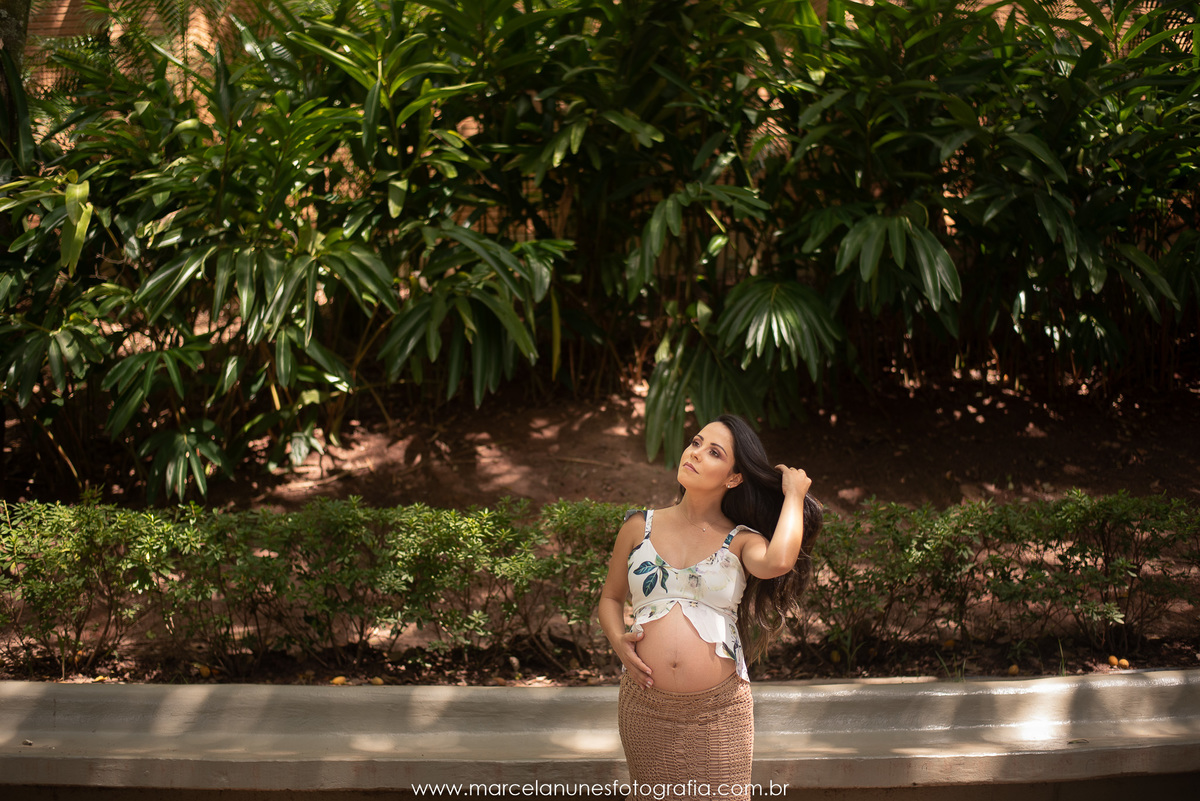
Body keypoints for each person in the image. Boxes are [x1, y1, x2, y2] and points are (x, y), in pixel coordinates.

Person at [597, 414, 823, 801]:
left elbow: (780, 560)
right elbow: (610, 598)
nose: (695, 453)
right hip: (644, 703)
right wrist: (619, 641)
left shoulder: (741, 541)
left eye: (714, 452)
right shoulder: (639, 526)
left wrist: (794, 495)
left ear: (733, 477)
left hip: (721, 711)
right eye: (696, 442)